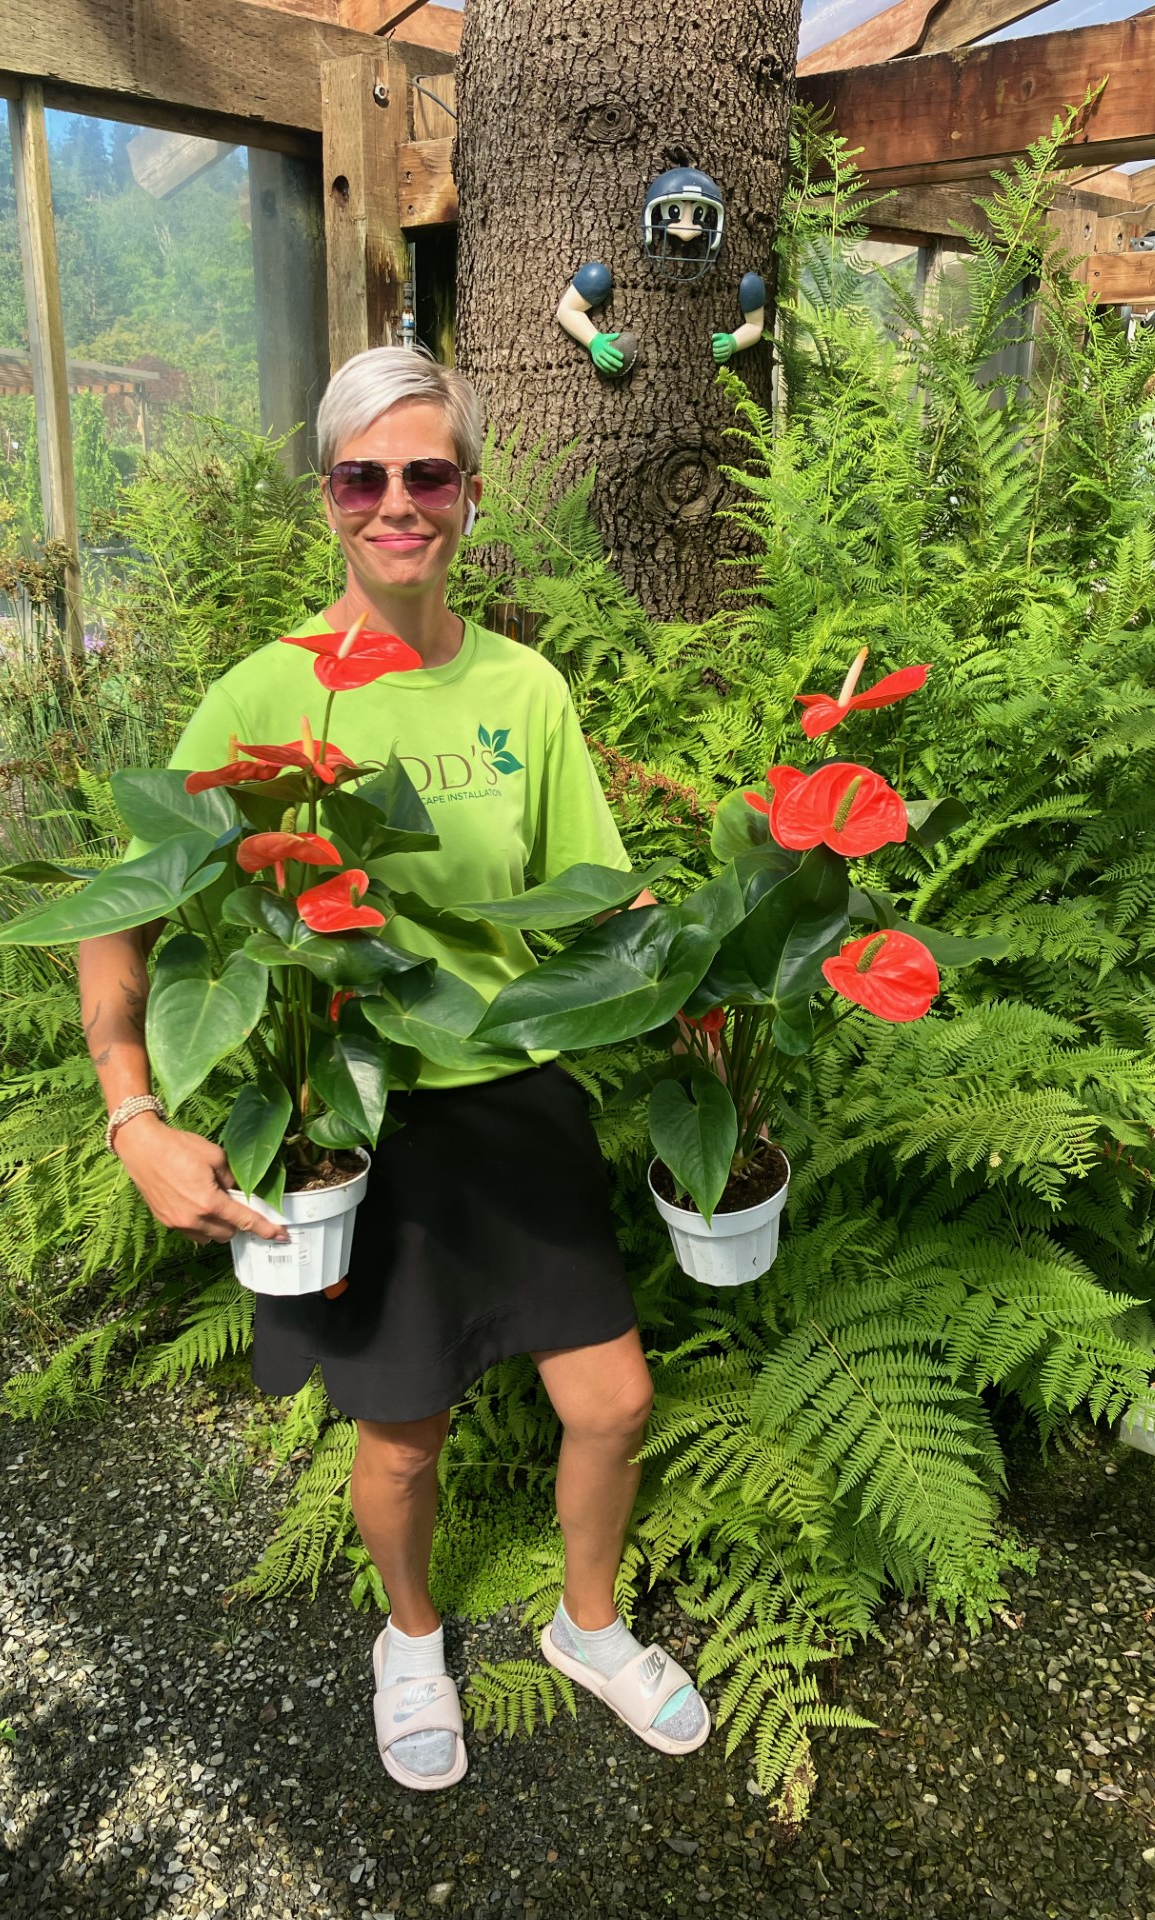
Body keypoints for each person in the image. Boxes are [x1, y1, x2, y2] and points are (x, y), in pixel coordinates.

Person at [76, 347, 709, 1790]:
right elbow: (122, 917)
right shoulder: (264, 694)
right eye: (365, 476)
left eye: (429, 474)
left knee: (612, 1402)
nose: (398, 503)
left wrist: (712, 946)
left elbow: (595, 895)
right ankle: (411, 1638)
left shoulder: (525, 688)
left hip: (518, 1098)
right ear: (330, 501)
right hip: (358, 1127)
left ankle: (588, 1626)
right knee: (404, 1443)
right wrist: (136, 1116)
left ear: (472, 497)